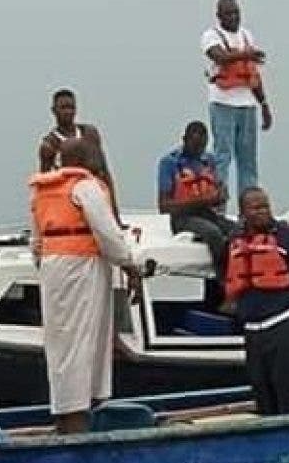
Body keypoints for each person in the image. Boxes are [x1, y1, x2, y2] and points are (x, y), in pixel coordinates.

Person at [31, 138, 142, 434]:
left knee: (60, 342)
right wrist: (129, 264)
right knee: (83, 340)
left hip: (53, 267)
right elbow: (108, 234)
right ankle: (78, 422)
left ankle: (64, 416)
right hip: (82, 267)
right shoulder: (85, 187)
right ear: (84, 158)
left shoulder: (43, 191)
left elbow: (36, 241)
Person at [223, 187, 289, 416]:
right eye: (255, 208)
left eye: (266, 206)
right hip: (253, 331)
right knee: (263, 397)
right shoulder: (234, 240)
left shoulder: (286, 236)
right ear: (242, 213)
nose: (263, 212)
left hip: (284, 324)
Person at [202, 0, 271, 195]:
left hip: (247, 104)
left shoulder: (247, 36)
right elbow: (219, 57)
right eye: (228, 14)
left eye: (236, 13)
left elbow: (253, 74)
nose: (233, 17)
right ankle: (219, 204)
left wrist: (264, 104)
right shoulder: (211, 36)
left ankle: (248, 205)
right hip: (222, 102)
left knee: (248, 158)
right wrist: (246, 55)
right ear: (219, 16)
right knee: (223, 156)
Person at [156, 120, 235, 279]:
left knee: (238, 231)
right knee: (213, 234)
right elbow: (164, 206)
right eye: (194, 145)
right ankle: (223, 279)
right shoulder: (169, 163)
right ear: (184, 139)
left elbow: (219, 188)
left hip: (208, 214)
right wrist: (202, 201)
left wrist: (220, 195)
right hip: (183, 218)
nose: (198, 150)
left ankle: (240, 276)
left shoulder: (209, 161)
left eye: (202, 146)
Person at [38, 89, 122, 225]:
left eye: (71, 107)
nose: (68, 112)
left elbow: (105, 173)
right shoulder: (49, 144)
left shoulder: (90, 133)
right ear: (54, 110)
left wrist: (115, 215)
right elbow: (44, 186)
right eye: (63, 108)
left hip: (97, 198)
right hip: (70, 204)